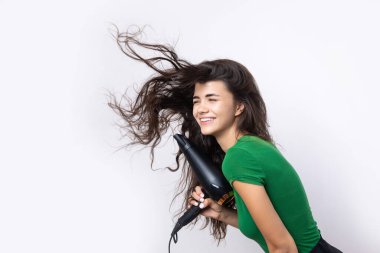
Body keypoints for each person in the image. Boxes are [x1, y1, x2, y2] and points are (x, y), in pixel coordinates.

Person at [108, 26, 342, 253]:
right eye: (197, 100)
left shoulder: (239, 158)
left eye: (212, 99)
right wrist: (220, 213)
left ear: (239, 106)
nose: (201, 109)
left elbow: (284, 248)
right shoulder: (251, 148)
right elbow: (270, 225)